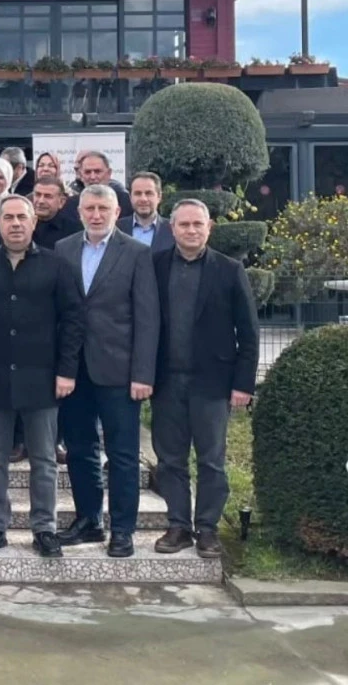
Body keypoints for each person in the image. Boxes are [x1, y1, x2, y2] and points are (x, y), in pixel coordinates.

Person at [0, 195, 85, 559]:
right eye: (9, 218)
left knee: (44, 459)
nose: (16, 223)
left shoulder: (57, 265)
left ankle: (44, 528)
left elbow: (73, 321)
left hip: (43, 378)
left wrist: (66, 371)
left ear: (34, 222)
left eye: (22, 217)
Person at [150, 200, 259, 559]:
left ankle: (208, 528)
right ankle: (178, 525)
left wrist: (243, 384)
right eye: (184, 225)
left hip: (213, 383)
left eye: (198, 224)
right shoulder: (155, 266)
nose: (191, 230)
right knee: (170, 460)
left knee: (211, 460)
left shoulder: (229, 270)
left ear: (209, 227)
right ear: (172, 229)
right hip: (166, 382)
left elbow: (249, 331)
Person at [56, 185, 159, 558]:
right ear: (80, 212)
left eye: (103, 208)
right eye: (90, 208)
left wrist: (143, 374)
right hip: (74, 370)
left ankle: (123, 529)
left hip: (120, 371)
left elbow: (147, 318)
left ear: (117, 213)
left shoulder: (136, 253)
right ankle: (89, 520)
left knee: (122, 453)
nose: (96, 215)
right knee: (80, 449)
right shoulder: (63, 249)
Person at [117, 171, 175, 253]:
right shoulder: (116, 228)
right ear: (130, 197)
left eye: (149, 193)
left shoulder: (173, 229)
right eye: (138, 193)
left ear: (159, 197)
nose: (143, 199)